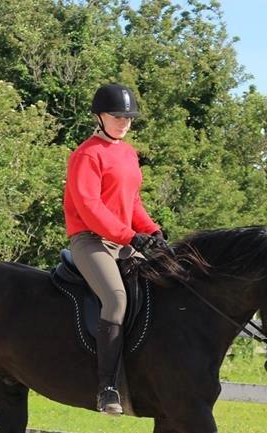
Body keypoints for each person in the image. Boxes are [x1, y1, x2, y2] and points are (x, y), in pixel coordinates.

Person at [63, 83, 167, 415]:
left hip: (122, 240)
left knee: (159, 284)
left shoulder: (127, 153)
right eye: (116, 116)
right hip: (91, 241)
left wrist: (152, 230)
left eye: (128, 117)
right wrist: (130, 236)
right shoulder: (87, 155)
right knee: (116, 298)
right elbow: (91, 207)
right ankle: (107, 387)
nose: (123, 122)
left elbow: (131, 202)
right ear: (99, 117)